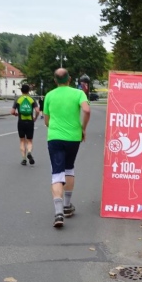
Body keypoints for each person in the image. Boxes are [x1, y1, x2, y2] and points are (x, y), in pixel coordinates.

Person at [43, 68, 90, 228]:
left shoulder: (49, 95)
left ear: (55, 80)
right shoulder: (79, 93)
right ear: (69, 79)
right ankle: (67, 206)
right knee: (69, 168)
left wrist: (54, 126)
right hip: (73, 138)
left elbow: (46, 121)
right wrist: (83, 128)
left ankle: (58, 213)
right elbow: (86, 110)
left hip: (55, 138)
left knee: (57, 173)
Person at [10, 84, 40, 166]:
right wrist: (35, 118)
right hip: (30, 122)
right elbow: (37, 111)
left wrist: (16, 114)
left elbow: (12, 111)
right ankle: (29, 152)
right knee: (29, 140)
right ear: (29, 90)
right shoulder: (32, 99)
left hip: (21, 122)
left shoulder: (18, 99)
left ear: (21, 90)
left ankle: (24, 159)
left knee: (22, 140)